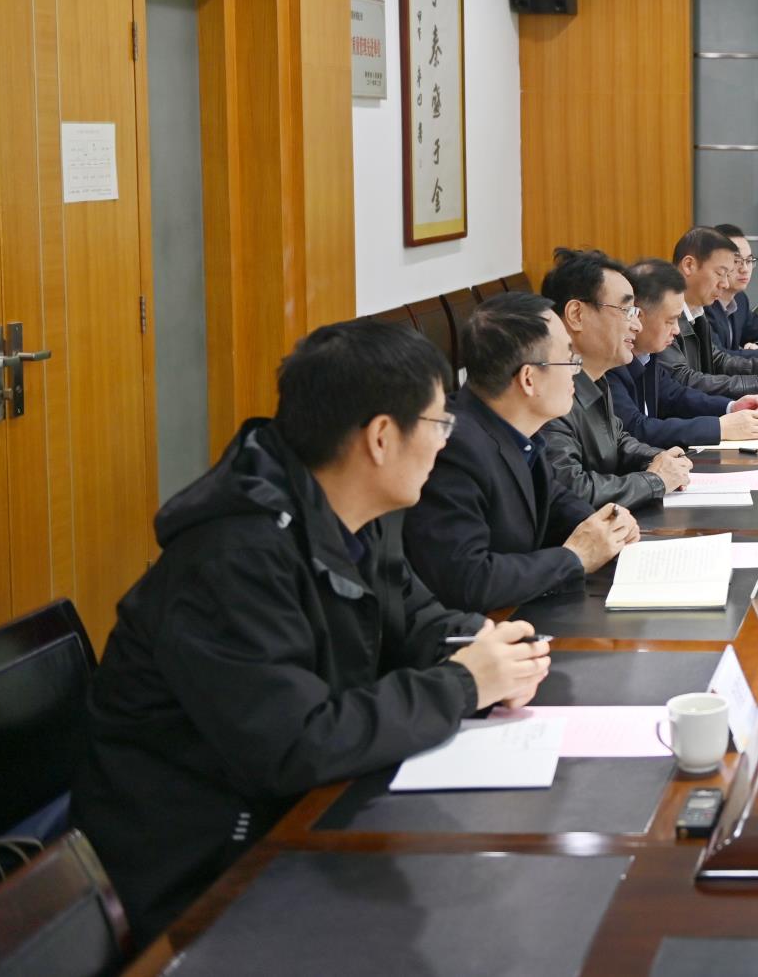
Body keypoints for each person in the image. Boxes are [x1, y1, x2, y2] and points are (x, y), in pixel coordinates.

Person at [71, 320, 554, 941]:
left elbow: (412, 615)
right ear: (381, 437)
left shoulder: (356, 511)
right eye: (440, 423)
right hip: (204, 874)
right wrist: (464, 685)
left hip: (300, 819)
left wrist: (485, 649)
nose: (445, 442)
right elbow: (296, 744)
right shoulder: (234, 559)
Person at [403, 292, 640, 613]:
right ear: (529, 379)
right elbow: (468, 580)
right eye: (568, 359)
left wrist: (604, 525)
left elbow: (550, 497)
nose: (576, 370)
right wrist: (575, 557)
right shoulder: (453, 449)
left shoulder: (512, 427)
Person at [538, 247, 693, 511]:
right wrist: (654, 480)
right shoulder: (547, 392)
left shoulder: (595, 376)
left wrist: (659, 458)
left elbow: (617, 440)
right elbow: (572, 491)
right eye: (626, 311)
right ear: (576, 314)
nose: (637, 325)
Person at [609, 259, 758, 450]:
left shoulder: (648, 356)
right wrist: (719, 428)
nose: (677, 330)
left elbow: (675, 396)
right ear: (637, 315)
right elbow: (636, 429)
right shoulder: (610, 364)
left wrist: (731, 407)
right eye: (670, 321)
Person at [666, 226, 758, 395]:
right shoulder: (664, 315)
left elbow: (718, 361)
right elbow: (684, 380)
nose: (725, 284)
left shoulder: (697, 312)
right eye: (720, 273)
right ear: (689, 265)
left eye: (728, 275)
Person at [707, 223, 758, 353]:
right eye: (737, 261)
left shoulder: (740, 299)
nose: (745, 269)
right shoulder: (704, 306)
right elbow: (720, 358)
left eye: (749, 260)